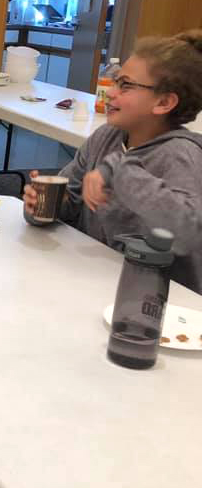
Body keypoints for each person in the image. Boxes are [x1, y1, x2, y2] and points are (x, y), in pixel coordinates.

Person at [23, 30, 202, 294]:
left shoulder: (180, 154)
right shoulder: (105, 137)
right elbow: (70, 204)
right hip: (99, 282)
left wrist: (118, 171)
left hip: (160, 301)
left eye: (125, 85)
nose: (110, 93)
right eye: (115, 82)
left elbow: (187, 233)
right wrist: (44, 204)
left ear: (164, 102)